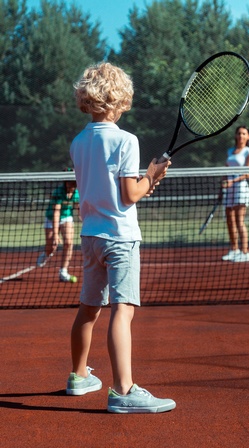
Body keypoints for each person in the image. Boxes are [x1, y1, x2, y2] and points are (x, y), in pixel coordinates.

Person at [66, 61, 176, 414]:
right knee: (122, 310)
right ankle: (123, 390)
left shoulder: (78, 142)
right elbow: (129, 195)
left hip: (91, 237)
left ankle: (79, 376)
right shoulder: (127, 140)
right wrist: (152, 176)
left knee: (89, 309)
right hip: (120, 238)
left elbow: (104, 188)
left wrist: (146, 181)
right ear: (120, 98)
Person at [36, 168, 80, 282]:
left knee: (69, 243)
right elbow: (56, 213)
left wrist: (85, 218)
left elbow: (79, 208)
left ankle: (63, 271)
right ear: (66, 181)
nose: (73, 183)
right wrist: (56, 234)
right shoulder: (58, 192)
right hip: (52, 218)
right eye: (71, 181)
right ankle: (47, 253)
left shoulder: (77, 192)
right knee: (52, 247)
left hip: (66, 217)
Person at [221, 125, 249, 263]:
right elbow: (225, 171)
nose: (241, 136)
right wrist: (222, 186)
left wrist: (232, 181)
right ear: (235, 136)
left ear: (248, 137)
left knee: (239, 221)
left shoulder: (248, 152)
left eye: (244, 134)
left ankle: (245, 252)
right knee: (230, 220)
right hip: (228, 189)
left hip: (240, 188)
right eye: (239, 133)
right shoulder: (230, 151)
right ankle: (234, 250)